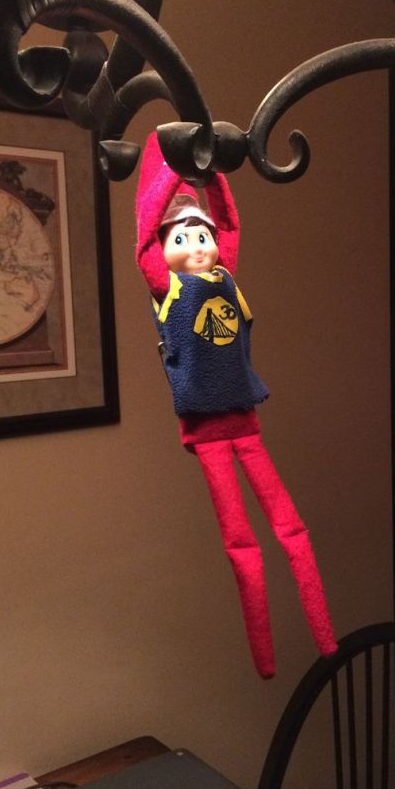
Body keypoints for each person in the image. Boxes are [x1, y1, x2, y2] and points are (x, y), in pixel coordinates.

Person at [135, 133, 336, 678]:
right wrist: (169, 159)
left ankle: (326, 639)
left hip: (246, 422)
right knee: (240, 543)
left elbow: (229, 223)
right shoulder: (167, 289)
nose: (198, 244)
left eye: (201, 235)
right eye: (182, 237)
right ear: (163, 249)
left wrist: (211, 167)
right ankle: (265, 660)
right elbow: (145, 229)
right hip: (206, 430)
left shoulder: (226, 277)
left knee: (292, 529)